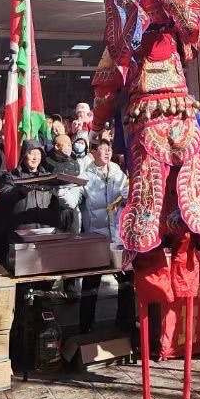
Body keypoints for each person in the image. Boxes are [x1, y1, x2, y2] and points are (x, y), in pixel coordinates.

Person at [79, 138, 131, 334]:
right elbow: (74, 196)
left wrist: (129, 195)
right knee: (91, 283)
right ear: (93, 152)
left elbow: (127, 194)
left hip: (118, 237)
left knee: (126, 280)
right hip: (96, 237)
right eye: (102, 149)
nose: (107, 152)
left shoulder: (118, 173)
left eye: (109, 148)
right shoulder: (85, 175)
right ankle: (85, 326)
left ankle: (124, 322)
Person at [44, 132, 84, 233]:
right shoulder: (46, 162)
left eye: (70, 144)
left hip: (72, 211)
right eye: (67, 145)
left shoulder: (74, 164)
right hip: (52, 210)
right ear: (57, 146)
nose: (70, 147)